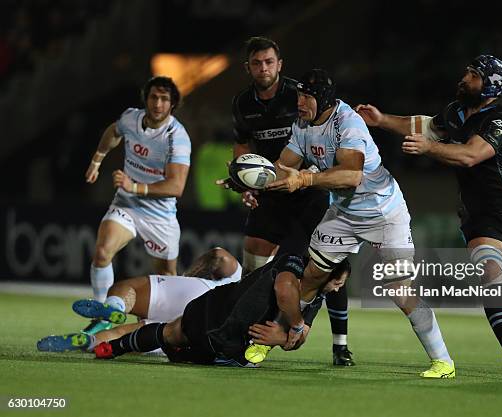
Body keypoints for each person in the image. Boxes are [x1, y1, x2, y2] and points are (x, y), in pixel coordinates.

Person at [354, 54, 502, 381]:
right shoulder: (456, 111)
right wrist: (381, 120)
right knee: (490, 271)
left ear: (489, 86)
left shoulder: (501, 120)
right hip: (482, 215)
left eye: (473, 75)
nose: (464, 77)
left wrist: (429, 150)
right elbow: (426, 126)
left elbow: (472, 155)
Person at [264, 68, 455, 378]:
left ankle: (443, 361)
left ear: (323, 98)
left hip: (383, 213)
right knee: (311, 276)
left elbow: (351, 176)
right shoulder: (302, 124)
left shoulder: (347, 122)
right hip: (343, 214)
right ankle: (277, 336)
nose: (299, 102)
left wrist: (303, 179)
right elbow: (283, 166)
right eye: (298, 95)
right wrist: (254, 181)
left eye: (306, 96)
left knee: (399, 289)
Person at [226, 37, 354, 366]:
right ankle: (247, 324)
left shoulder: (301, 94)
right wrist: (245, 182)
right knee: (253, 251)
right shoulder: (242, 103)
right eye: (257, 63)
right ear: (248, 67)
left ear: (279, 64)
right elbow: (244, 145)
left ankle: (340, 343)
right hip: (273, 188)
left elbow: (328, 129)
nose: (264, 68)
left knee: (326, 264)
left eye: (269, 62)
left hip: (309, 189)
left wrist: (318, 172)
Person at [93, 253, 349, 367]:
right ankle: (111, 345)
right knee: (175, 335)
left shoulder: (316, 299)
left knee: (171, 333)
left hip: (227, 337)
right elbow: (285, 294)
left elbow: (300, 339)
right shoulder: (292, 262)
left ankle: (112, 347)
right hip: (221, 322)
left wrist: (282, 338)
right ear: (324, 272)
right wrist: (293, 327)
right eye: (338, 282)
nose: (338, 289)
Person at [83, 76, 191, 335]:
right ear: (146, 99)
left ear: (173, 104)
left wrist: (136, 187)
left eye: (164, 99)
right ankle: (101, 315)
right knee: (102, 252)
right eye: (154, 97)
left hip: (160, 215)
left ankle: (168, 331)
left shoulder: (177, 137)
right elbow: (113, 131)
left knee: (168, 276)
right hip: (127, 204)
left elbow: (176, 186)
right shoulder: (131, 118)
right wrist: (97, 160)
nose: (157, 103)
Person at [36, 248, 241, 352]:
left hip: (200, 292)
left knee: (127, 289)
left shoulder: (250, 277)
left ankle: (116, 307)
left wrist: (188, 277)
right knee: (123, 335)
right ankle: (89, 342)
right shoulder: (259, 309)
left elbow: (219, 256)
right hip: (203, 329)